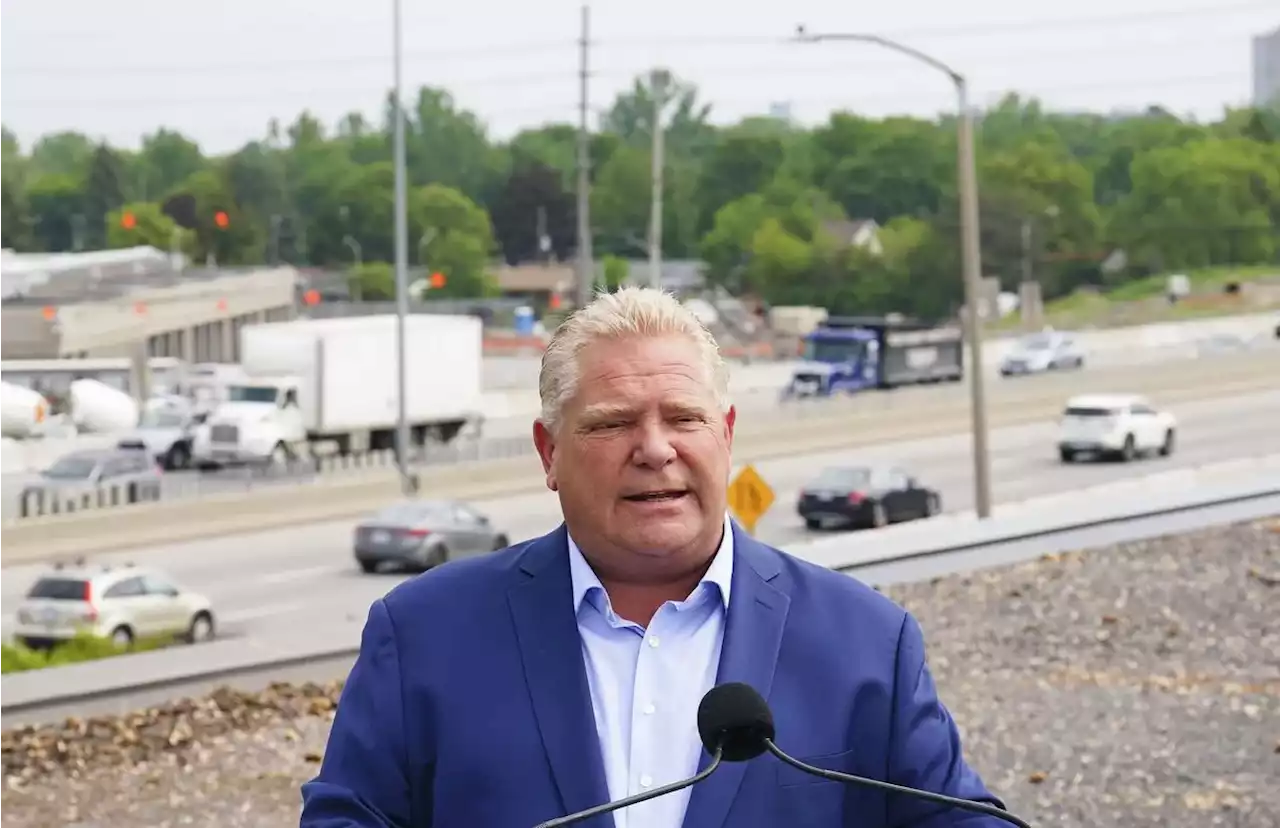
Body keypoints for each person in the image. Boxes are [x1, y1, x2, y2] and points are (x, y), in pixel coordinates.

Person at [300, 287, 1009, 828]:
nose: (655, 449)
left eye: (683, 417)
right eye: (612, 424)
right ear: (549, 455)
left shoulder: (866, 643)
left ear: (725, 435)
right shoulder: (425, 634)